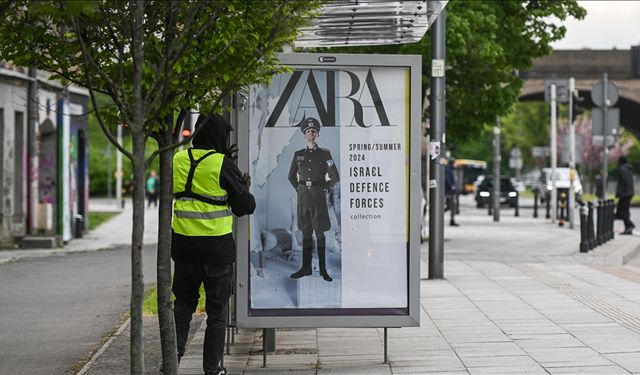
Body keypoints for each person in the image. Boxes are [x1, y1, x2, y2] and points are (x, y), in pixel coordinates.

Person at [171, 113, 255, 375]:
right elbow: (245, 206)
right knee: (216, 312)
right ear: (219, 137)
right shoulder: (221, 164)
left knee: (183, 303)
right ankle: (212, 369)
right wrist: (242, 184)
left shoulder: (178, 158)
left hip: (184, 247)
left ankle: (173, 357)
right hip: (216, 250)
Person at [288, 117, 339, 282]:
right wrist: (300, 189)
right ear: (304, 135)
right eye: (308, 130)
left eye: (314, 131)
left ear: (317, 134)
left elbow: (334, 177)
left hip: (318, 199)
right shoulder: (298, 155)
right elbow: (291, 177)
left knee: (320, 234)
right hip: (303, 200)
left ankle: (323, 269)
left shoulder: (325, 154)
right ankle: (306, 268)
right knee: (306, 233)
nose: (311, 132)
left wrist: (326, 188)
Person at [615, 156, 635, 235]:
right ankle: (628, 228)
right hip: (629, 193)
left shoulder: (622, 169)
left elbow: (623, 183)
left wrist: (620, 193)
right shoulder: (628, 169)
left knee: (621, 211)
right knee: (625, 211)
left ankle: (630, 225)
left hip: (624, 194)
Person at [444, 158, 459, 226]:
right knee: (451, 206)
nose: (456, 164)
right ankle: (438, 215)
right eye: (455, 163)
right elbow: (447, 179)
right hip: (449, 191)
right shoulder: (448, 170)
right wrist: (452, 186)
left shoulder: (452, 170)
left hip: (451, 191)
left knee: (451, 206)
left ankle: (452, 220)